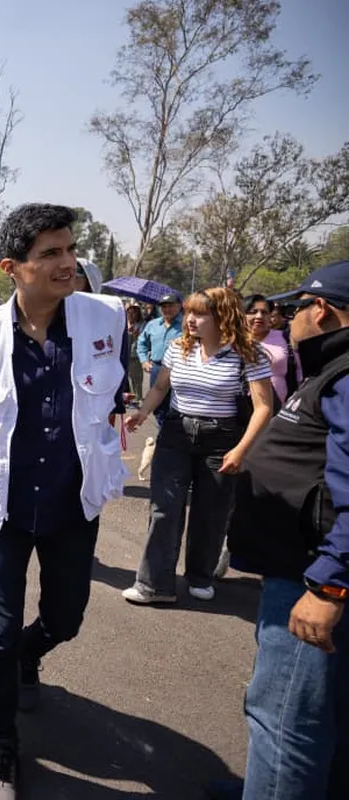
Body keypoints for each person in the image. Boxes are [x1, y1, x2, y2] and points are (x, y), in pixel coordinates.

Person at [0, 204, 129, 800]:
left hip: (71, 502)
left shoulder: (107, 317)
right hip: (5, 505)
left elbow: (112, 397)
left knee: (67, 617)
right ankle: (1, 749)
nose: (68, 263)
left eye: (70, 249)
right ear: (13, 268)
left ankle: (32, 654)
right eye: (50, 253)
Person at [211, 261, 349, 800]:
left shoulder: (344, 378)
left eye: (295, 309)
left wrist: (330, 583)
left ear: (322, 310)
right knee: (320, 714)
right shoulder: (331, 371)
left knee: (285, 718)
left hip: (313, 576)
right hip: (308, 567)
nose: (286, 320)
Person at [122, 288, 273, 605]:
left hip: (222, 440)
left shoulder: (248, 354)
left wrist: (241, 450)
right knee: (163, 509)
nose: (190, 319)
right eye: (189, 312)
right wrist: (142, 412)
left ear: (223, 316)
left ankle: (200, 576)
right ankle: (153, 585)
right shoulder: (179, 347)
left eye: (200, 313)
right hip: (175, 433)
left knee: (211, 513)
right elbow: (160, 387)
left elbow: (263, 408)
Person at [135, 293, 184, 425]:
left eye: (170, 305)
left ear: (179, 306)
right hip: (157, 368)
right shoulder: (152, 325)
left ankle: (173, 432)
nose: (166, 309)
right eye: (163, 306)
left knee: (177, 405)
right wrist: (144, 360)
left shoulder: (186, 324)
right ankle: (163, 432)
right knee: (158, 406)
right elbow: (142, 343)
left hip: (179, 369)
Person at [244, 294, 300, 407]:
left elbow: (299, 370)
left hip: (281, 407)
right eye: (253, 312)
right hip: (241, 408)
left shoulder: (285, 337)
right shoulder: (233, 341)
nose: (259, 316)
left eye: (264, 312)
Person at [125, 304, 146, 405]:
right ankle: (131, 397)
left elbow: (143, 338)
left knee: (137, 377)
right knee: (128, 377)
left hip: (135, 354)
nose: (131, 315)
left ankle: (138, 397)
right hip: (125, 354)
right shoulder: (124, 323)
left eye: (134, 313)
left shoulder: (142, 324)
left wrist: (136, 334)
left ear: (138, 314)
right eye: (129, 313)